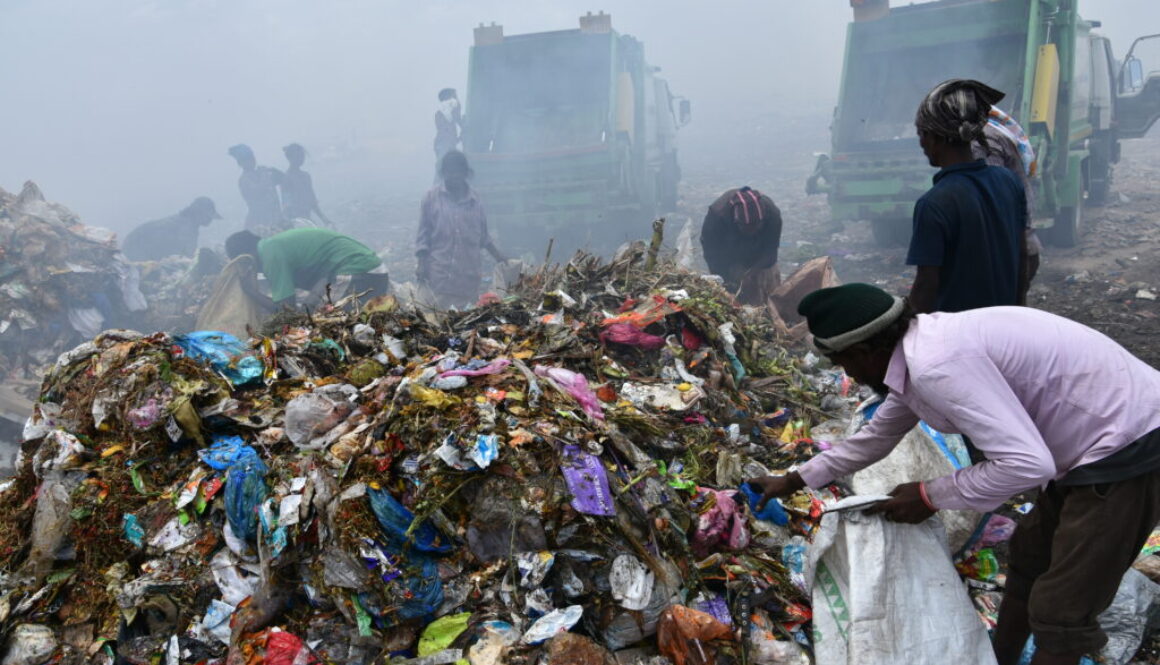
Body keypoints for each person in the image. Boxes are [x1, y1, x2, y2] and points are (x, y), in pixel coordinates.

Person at [748, 283, 1160, 665]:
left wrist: (929, 495)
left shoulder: (936, 365)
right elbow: (877, 436)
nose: (849, 376)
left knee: (1060, 610)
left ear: (865, 349)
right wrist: (794, 479)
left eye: (843, 363)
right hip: (1086, 446)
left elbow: (1027, 464)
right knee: (1030, 558)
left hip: (1128, 445)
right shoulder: (917, 352)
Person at [908, 80, 1028, 314]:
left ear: (934, 137)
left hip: (959, 334)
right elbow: (1023, 256)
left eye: (921, 133)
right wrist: (1019, 309)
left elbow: (926, 285)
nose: (921, 143)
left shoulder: (933, 204)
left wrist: (905, 329)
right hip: (1005, 322)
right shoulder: (1008, 181)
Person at [415, 150, 504, 308]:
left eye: (457, 171)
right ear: (443, 173)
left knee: (462, 324)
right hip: (439, 276)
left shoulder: (475, 201)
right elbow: (423, 235)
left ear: (465, 173)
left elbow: (484, 237)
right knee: (435, 322)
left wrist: (500, 259)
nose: (453, 176)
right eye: (449, 172)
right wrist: (421, 265)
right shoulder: (431, 198)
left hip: (467, 278)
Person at [973, 107, 1041, 303]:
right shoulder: (997, 130)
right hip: (1021, 246)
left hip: (1004, 253)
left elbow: (994, 200)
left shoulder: (980, 141)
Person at [224, 228, 386, 308]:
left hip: (358, 271)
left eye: (243, 263)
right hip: (369, 271)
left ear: (246, 256)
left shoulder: (269, 254)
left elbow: (286, 310)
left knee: (316, 322)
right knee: (308, 312)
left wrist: (250, 292)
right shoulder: (272, 246)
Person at [700, 186, 783, 306]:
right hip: (731, 257)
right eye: (746, 228)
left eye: (756, 226)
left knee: (769, 292)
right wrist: (726, 282)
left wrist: (753, 273)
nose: (751, 232)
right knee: (734, 297)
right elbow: (712, 253)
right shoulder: (717, 216)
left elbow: (771, 250)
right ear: (736, 221)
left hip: (760, 257)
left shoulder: (772, 213)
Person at [121, 196, 221, 261]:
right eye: (208, 216)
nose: (210, 220)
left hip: (134, 246)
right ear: (198, 213)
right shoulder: (187, 228)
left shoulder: (184, 221)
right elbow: (187, 256)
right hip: (136, 250)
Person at [228, 144, 285, 234]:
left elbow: (283, 179)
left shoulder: (263, 173)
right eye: (246, 159)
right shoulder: (244, 180)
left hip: (276, 219)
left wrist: (275, 172)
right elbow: (258, 192)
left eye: (251, 157)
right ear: (240, 163)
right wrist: (264, 175)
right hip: (259, 222)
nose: (251, 161)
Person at [280, 143, 332, 226]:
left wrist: (324, 219)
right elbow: (286, 205)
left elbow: (312, 202)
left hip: (307, 219)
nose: (301, 158)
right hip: (296, 221)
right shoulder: (287, 179)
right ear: (290, 158)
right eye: (298, 156)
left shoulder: (306, 176)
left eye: (302, 155)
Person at [434, 88, 462, 176]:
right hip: (444, 143)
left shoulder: (441, 112)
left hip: (443, 143)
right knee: (442, 168)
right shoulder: (447, 109)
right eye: (454, 96)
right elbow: (457, 119)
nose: (456, 99)